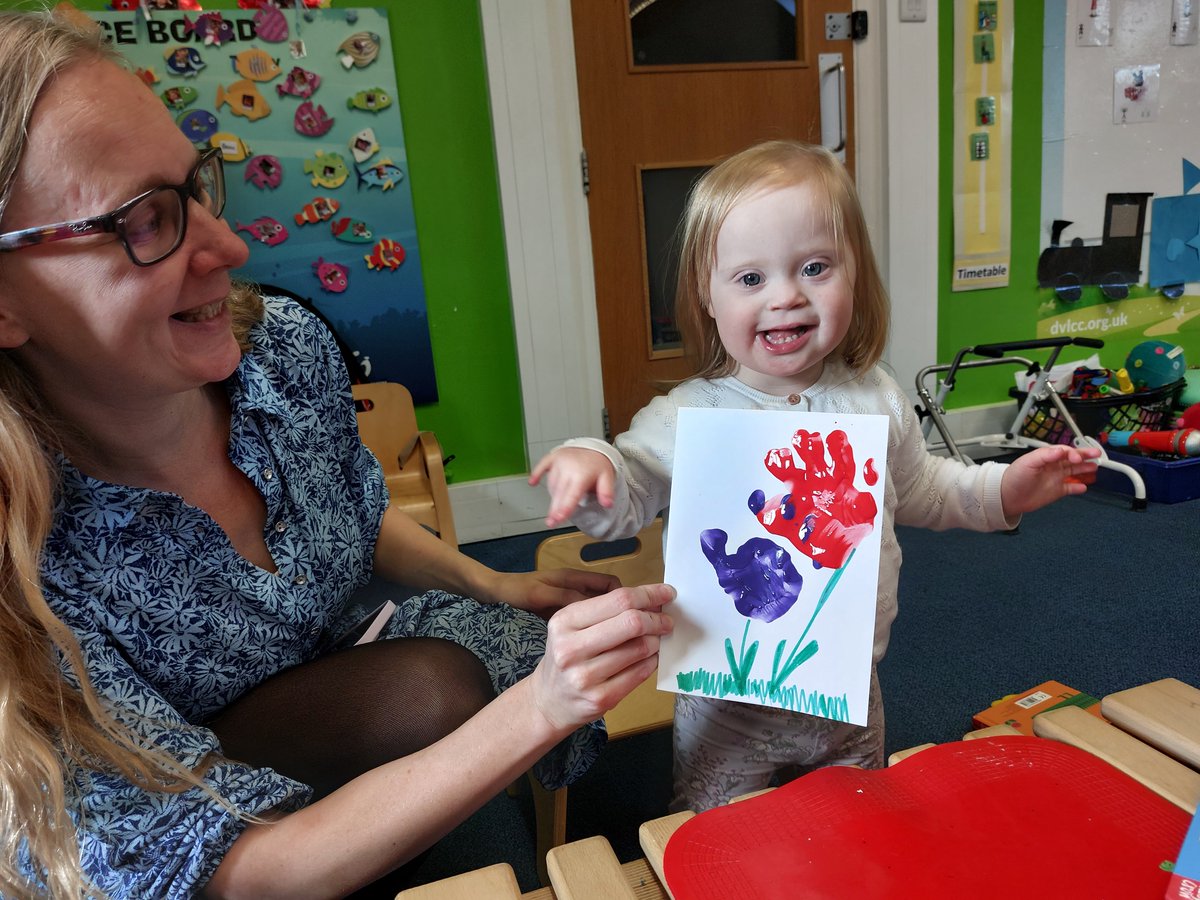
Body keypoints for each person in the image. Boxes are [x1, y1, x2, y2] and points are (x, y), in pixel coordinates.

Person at [0, 9, 673, 899]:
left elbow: (352, 512)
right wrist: (540, 707)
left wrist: (497, 583)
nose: (230, 248)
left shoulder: (278, 353)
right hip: (184, 825)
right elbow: (233, 871)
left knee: (490, 657)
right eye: (144, 222)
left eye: (196, 187)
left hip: (322, 687)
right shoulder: (25, 561)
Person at [530, 139, 1100, 813]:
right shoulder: (689, 414)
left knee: (857, 829)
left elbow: (922, 491)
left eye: (815, 267)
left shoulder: (876, 396)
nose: (787, 297)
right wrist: (593, 465)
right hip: (726, 711)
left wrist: (1002, 491)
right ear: (706, 297)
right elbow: (628, 491)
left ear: (854, 273)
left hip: (851, 693)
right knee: (725, 842)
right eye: (751, 279)